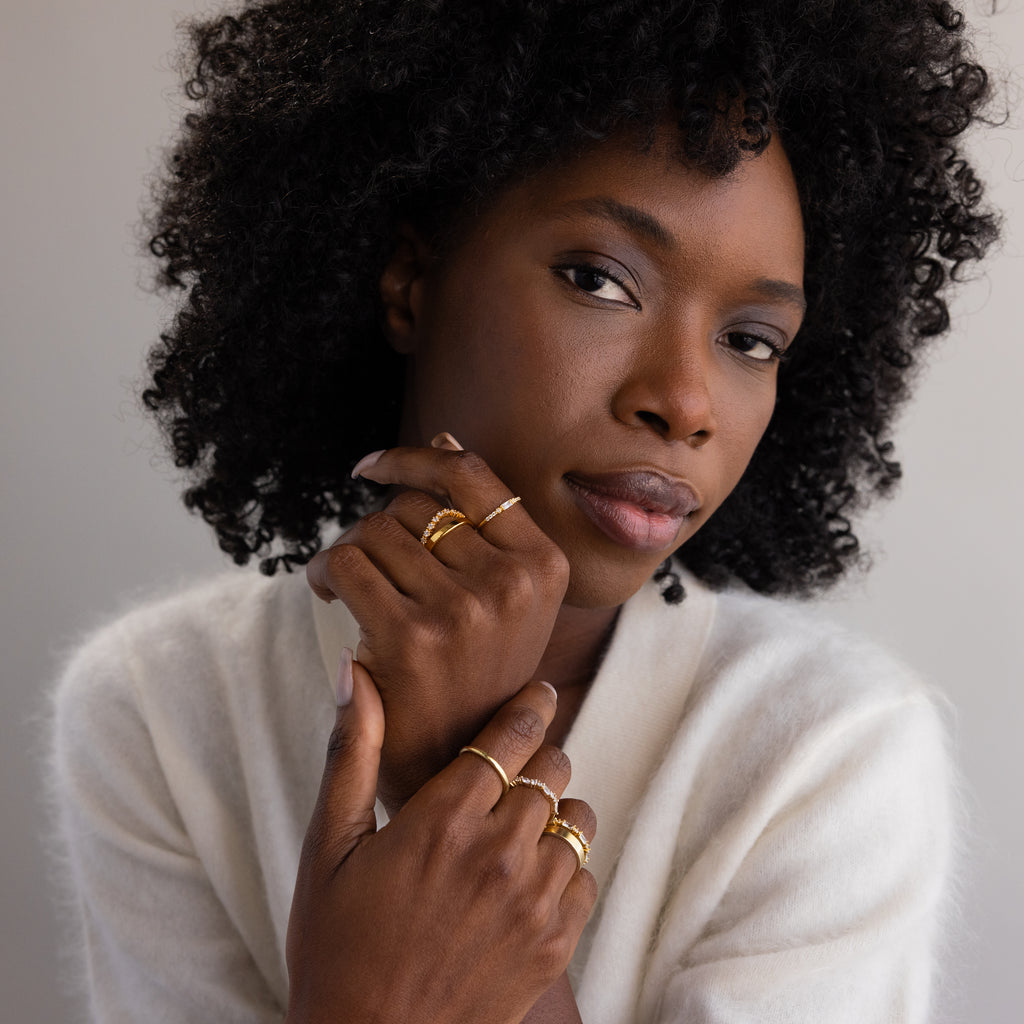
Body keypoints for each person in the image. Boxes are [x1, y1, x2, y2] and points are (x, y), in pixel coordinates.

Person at [50, 1, 999, 1021]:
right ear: (411, 281)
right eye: (600, 280)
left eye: (751, 341)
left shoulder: (826, 751)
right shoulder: (162, 708)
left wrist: (455, 772)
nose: (684, 402)